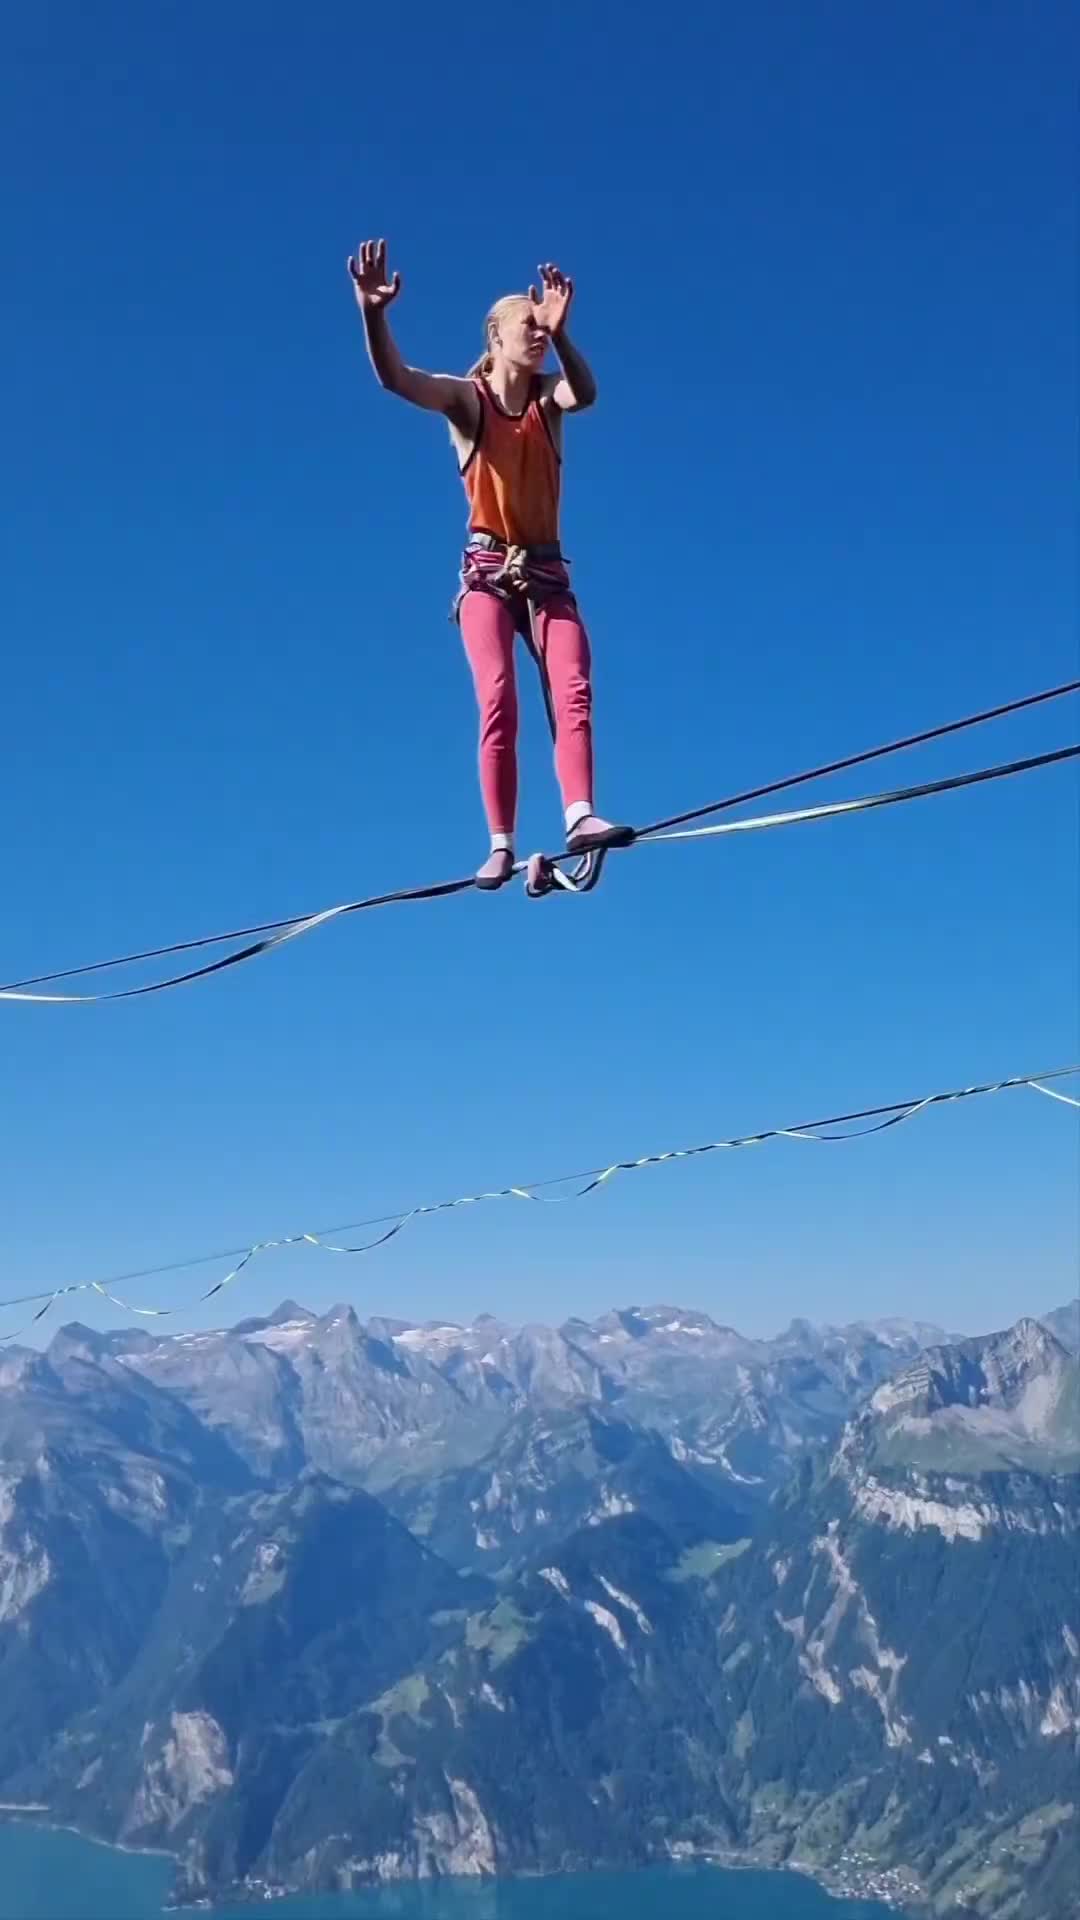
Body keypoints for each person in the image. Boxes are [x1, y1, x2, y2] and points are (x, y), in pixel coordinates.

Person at [347, 238, 631, 889]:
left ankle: (579, 815)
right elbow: (397, 379)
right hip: (487, 579)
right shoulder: (468, 401)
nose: (538, 333)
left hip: (549, 576)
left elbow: (585, 394)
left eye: (543, 325)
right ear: (495, 338)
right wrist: (373, 314)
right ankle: (500, 843)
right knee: (498, 695)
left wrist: (565, 339)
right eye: (528, 327)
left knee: (573, 689)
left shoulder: (547, 400)